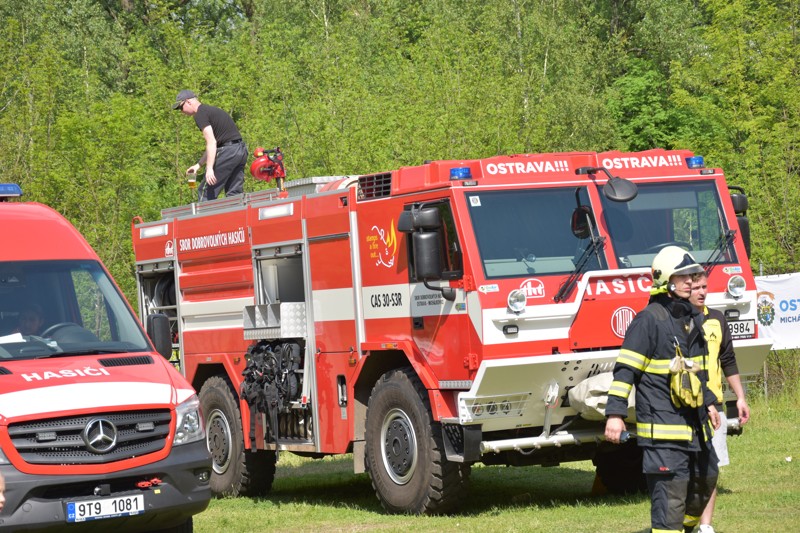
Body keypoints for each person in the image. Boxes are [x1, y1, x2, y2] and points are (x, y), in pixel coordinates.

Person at [605, 246, 721, 533]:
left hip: (696, 428)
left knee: (706, 480)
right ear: (665, 280)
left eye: (692, 276)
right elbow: (626, 369)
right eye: (683, 277)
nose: (691, 282)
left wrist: (708, 401)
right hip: (664, 435)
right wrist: (615, 413)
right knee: (670, 505)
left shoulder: (691, 318)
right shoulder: (649, 320)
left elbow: (698, 370)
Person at [689, 272, 750, 533]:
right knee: (687, 469)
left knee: (711, 468)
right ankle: (682, 521)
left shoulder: (717, 319)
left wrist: (741, 396)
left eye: (705, 287)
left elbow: (728, 360)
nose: (702, 292)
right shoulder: (677, 319)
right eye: (697, 287)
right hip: (686, 405)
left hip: (715, 406)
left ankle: (706, 526)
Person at [172, 90, 247, 201]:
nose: (181, 112)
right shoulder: (211, 110)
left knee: (205, 191)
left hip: (228, 152)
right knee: (234, 193)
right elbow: (214, 145)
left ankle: (205, 218)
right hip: (240, 150)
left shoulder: (200, 114)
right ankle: (238, 217)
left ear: (188, 102)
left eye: (181, 108)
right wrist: (198, 165)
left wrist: (209, 169)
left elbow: (212, 142)